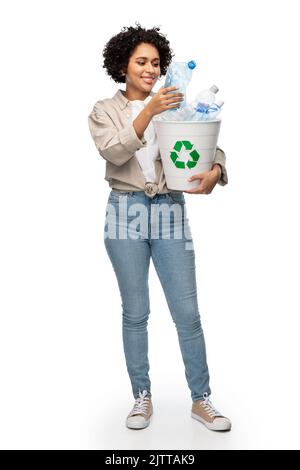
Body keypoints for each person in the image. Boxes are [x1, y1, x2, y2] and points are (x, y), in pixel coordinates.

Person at [88, 22, 231, 432]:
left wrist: (216, 168)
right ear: (123, 65)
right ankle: (141, 397)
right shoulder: (104, 110)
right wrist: (151, 110)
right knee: (136, 312)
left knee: (187, 313)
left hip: (169, 209)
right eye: (141, 62)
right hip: (125, 212)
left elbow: (207, 138)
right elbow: (113, 151)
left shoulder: (174, 103)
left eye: (156, 63)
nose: (151, 69)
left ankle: (201, 399)